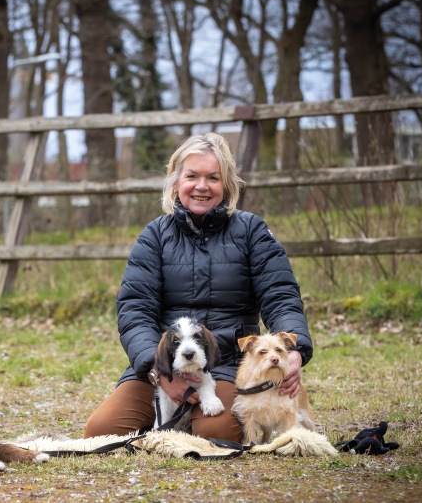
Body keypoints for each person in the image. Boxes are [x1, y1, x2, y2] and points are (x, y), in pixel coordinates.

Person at [83, 132, 313, 442]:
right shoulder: (154, 236)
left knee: (218, 432)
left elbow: (281, 296)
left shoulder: (252, 231)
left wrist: (295, 350)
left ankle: (192, 419)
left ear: (227, 185)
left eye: (213, 178)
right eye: (192, 176)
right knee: (101, 431)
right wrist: (159, 372)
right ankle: (174, 416)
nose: (202, 186)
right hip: (164, 364)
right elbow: (134, 310)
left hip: (227, 364)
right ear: (175, 182)